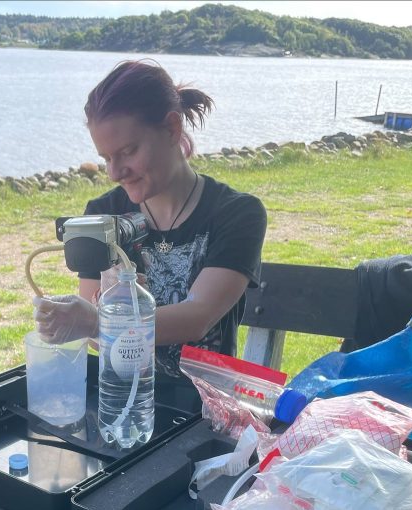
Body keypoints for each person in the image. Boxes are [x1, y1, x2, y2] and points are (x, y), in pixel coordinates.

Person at [33, 59, 267, 377]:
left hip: (203, 400)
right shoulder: (102, 215)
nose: (115, 172)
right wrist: (78, 318)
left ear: (171, 129)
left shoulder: (236, 214)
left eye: (128, 151)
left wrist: (97, 320)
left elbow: (198, 317)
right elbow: (94, 337)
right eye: (106, 158)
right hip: (121, 392)